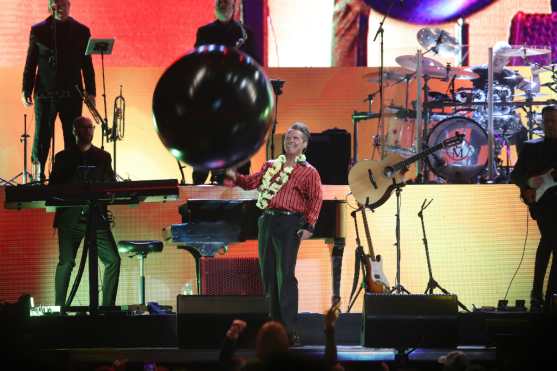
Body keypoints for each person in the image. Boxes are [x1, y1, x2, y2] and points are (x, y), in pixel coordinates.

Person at [226, 122, 323, 345]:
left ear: (304, 144)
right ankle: (273, 330)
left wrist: (309, 226)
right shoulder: (271, 165)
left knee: (285, 277)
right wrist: (235, 176)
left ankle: (289, 331)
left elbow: (315, 199)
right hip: (267, 221)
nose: (291, 141)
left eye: (296, 138)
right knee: (268, 275)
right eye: (289, 137)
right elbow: (252, 182)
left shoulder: (309, 172)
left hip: (289, 224)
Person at [22, 0, 96, 182]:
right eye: (56, 4)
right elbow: (30, 63)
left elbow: (87, 65)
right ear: (50, 6)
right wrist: (26, 88)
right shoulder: (38, 30)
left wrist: (91, 92)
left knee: (72, 136)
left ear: (69, 5)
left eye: (63, 4)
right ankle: (38, 177)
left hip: (72, 93)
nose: (60, 7)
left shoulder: (81, 31)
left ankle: (71, 176)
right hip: (45, 93)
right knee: (42, 135)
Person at [49, 116, 120, 307]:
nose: (88, 131)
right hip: (70, 219)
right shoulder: (63, 158)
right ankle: (59, 309)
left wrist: (107, 199)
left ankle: (106, 309)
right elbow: (53, 187)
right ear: (75, 131)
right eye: (84, 127)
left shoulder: (103, 157)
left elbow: (111, 184)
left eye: (91, 127)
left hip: (96, 216)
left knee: (113, 260)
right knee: (66, 262)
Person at [192, 0, 257, 185]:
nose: (223, 5)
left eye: (226, 3)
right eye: (220, 2)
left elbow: (254, 63)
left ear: (234, 6)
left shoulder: (245, 33)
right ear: (215, 6)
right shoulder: (204, 32)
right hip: (212, 95)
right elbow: (197, 60)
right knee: (206, 142)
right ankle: (198, 187)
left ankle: (240, 185)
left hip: (236, 97)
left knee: (239, 142)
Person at [510, 105, 557, 312]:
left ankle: (541, 295)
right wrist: (528, 185)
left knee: (548, 244)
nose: (549, 125)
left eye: (554, 121)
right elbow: (516, 175)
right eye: (546, 121)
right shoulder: (531, 147)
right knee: (550, 242)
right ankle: (546, 297)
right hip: (544, 205)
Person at [469, 41, 541, 156]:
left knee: (522, 132)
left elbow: (534, 90)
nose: (498, 61)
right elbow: (458, 82)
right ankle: (472, 170)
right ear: (491, 55)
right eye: (496, 56)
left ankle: (522, 169)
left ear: (507, 61)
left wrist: (536, 75)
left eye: (502, 59)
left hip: (505, 120)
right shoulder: (477, 71)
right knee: (472, 141)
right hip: (482, 119)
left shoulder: (510, 75)